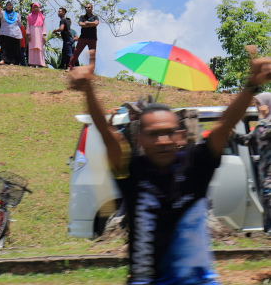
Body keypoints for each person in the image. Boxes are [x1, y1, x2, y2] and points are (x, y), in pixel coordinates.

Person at [68, 53, 271, 285]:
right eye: (153, 134)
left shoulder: (196, 166)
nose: (162, 140)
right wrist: (88, 90)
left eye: (168, 132)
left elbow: (224, 125)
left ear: (180, 136)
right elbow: (106, 133)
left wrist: (252, 84)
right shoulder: (132, 172)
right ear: (139, 139)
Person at [236, 92, 271, 233]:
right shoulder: (263, 124)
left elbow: (262, 134)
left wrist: (261, 118)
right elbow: (248, 139)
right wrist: (231, 133)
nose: (257, 107)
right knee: (266, 201)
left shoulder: (266, 124)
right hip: (264, 172)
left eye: (258, 104)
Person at [67, 3, 99, 70]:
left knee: (92, 55)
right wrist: (91, 24)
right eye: (86, 7)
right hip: (83, 38)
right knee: (76, 52)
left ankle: (91, 70)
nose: (87, 8)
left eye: (89, 7)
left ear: (92, 8)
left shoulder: (95, 17)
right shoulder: (82, 17)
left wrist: (86, 23)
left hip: (92, 38)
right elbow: (81, 24)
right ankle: (69, 67)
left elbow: (96, 23)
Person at [0, 0, 22, 65]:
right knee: (4, 47)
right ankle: (3, 60)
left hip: (14, 34)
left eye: (10, 5)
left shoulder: (17, 15)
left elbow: (19, 23)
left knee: (13, 48)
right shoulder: (3, 13)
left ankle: (12, 61)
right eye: (7, 5)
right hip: (4, 33)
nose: (9, 6)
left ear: (12, 6)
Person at [26, 3, 47, 67]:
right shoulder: (29, 16)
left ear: (38, 8)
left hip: (39, 35)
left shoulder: (41, 16)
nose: (35, 9)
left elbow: (44, 26)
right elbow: (28, 26)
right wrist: (28, 34)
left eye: (36, 7)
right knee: (32, 48)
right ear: (32, 8)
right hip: (32, 34)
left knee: (39, 48)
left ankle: (40, 63)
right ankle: (32, 63)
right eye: (34, 7)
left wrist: (44, 34)